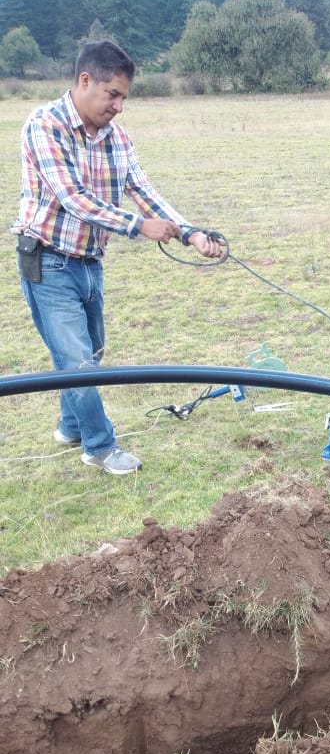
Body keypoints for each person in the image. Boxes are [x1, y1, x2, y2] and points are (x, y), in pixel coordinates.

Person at [13, 40, 224, 475]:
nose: (120, 106)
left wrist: (191, 233)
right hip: (48, 263)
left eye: (125, 96)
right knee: (77, 362)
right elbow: (73, 199)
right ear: (85, 81)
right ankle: (100, 446)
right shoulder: (45, 126)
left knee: (91, 354)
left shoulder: (116, 137)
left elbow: (144, 192)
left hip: (91, 262)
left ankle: (71, 426)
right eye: (113, 94)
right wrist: (136, 227)